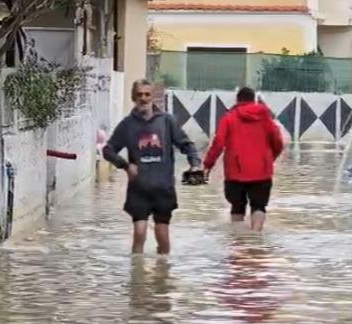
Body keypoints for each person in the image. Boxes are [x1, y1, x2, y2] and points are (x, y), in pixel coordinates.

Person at [102, 79, 202, 255]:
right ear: (134, 97)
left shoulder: (167, 121)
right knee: (139, 233)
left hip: (164, 188)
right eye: (139, 94)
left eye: (147, 94)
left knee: (162, 234)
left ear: (153, 97)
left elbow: (186, 144)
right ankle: (137, 275)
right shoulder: (127, 124)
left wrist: (195, 163)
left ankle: (162, 272)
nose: (143, 98)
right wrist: (125, 166)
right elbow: (108, 150)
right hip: (138, 189)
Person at [203, 87, 284, 232]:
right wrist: (269, 159)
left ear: (237, 100)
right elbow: (278, 142)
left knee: (237, 206)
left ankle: (238, 242)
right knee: (259, 206)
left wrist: (208, 164)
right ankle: (256, 236)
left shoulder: (229, 118)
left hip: (235, 172)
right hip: (262, 171)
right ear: (254, 100)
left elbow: (218, 143)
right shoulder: (266, 118)